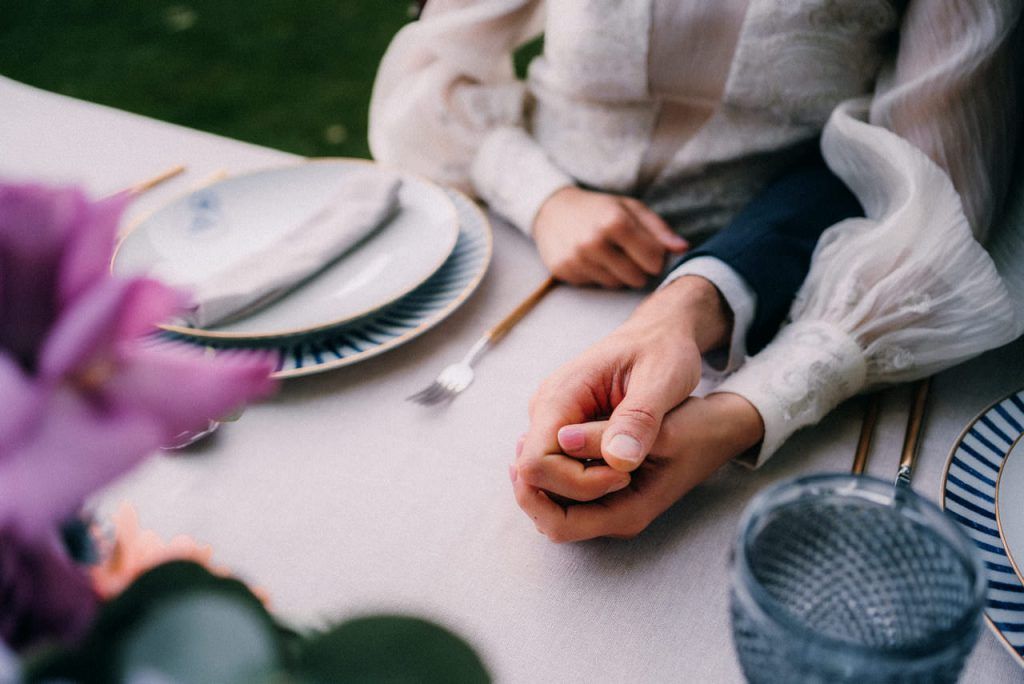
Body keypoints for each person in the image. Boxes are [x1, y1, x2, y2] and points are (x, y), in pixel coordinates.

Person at [370, 1, 1024, 541]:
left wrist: (746, 407)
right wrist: (541, 195)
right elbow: (433, 63)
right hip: (522, 250)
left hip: (796, 283)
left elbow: (936, 200)